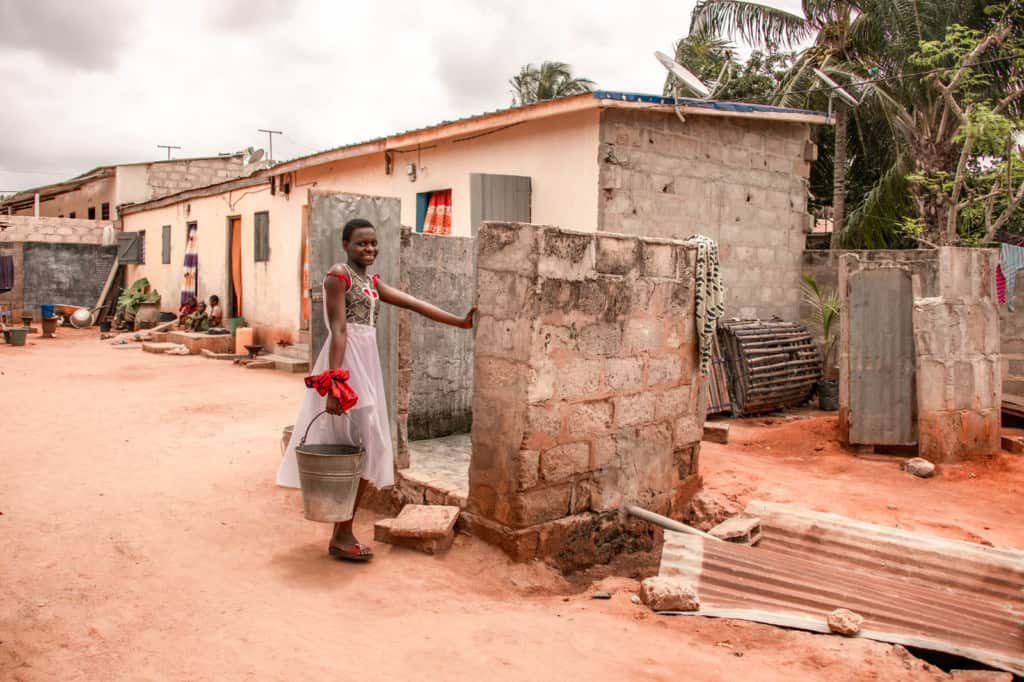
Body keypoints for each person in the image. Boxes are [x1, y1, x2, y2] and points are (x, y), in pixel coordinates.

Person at [277, 218, 474, 562]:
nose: (369, 249)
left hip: (365, 363)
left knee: (368, 447)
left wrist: (459, 321)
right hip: (347, 362)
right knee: (359, 445)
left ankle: (342, 529)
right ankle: (341, 531)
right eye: (361, 244)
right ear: (346, 246)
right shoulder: (339, 276)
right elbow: (339, 330)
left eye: (372, 244)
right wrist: (335, 383)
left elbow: (412, 302)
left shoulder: (370, 282)